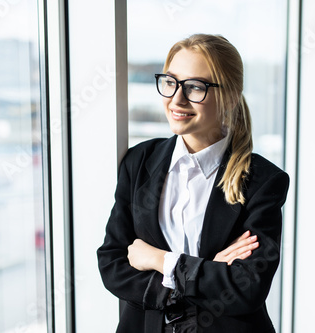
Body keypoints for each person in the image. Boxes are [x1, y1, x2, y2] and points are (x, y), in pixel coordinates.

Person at [97, 33, 290, 333]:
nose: (177, 99)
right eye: (170, 82)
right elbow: (112, 264)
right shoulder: (139, 162)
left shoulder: (263, 181)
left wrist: (160, 260)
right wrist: (203, 272)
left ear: (230, 96)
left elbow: (246, 288)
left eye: (195, 87)